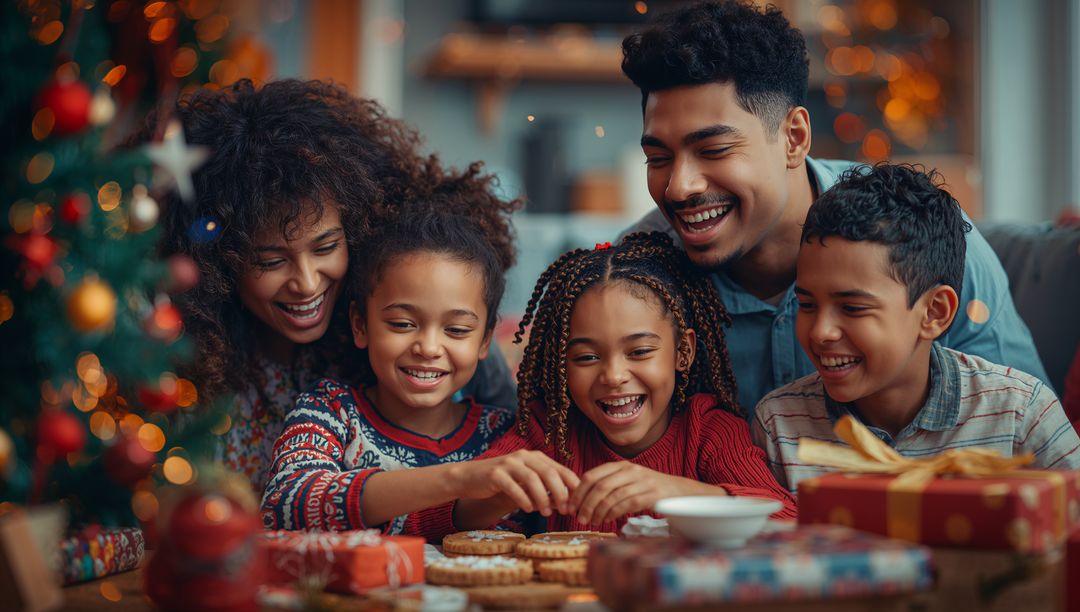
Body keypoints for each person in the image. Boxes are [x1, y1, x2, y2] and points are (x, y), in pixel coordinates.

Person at [620, 0, 1048, 415]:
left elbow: (1023, 433)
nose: (678, 187)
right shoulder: (634, 277)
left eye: (713, 150)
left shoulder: (920, 240)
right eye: (658, 159)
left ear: (794, 137)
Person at [157, 79, 519, 493]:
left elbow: (516, 449)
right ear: (221, 262)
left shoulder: (436, 326)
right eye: (272, 261)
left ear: (358, 228)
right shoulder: (190, 363)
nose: (306, 283)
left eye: (326, 246)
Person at [750, 164, 1080, 494]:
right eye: (806, 305)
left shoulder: (1019, 415)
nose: (821, 332)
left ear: (934, 312)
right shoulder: (779, 426)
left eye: (852, 308)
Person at [441, 232, 796, 535]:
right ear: (561, 365)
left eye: (639, 351)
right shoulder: (547, 431)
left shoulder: (710, 430)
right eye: (586, 358)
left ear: (682, 352)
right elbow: (433, 517)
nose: (613, 376)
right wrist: (502, 492)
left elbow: (788, 519)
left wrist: (673, 491)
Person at [260, 205, 577, 538]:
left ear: (485, 340)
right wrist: (460, 479)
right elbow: (285, 504)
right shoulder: (331, 411)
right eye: (402, 324)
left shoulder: (505, 436)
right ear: (360, 325)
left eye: (456, 330)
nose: (428, 347)